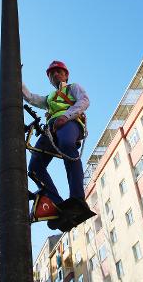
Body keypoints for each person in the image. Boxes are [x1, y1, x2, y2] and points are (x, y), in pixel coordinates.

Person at [22, 61, 90, 208]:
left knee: (67, 144)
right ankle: (57, 204)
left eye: (59, 72)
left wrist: (65, 117)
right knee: (34, 166)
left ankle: (78, 198)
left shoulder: (73, 88)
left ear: (66, 75)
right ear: (49, 79)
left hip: (70, 123)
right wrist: (17, 76)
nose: (55, 75)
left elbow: (84, 101)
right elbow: (30, 98)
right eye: (52, 74)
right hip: (51, 130)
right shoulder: (50, 98)